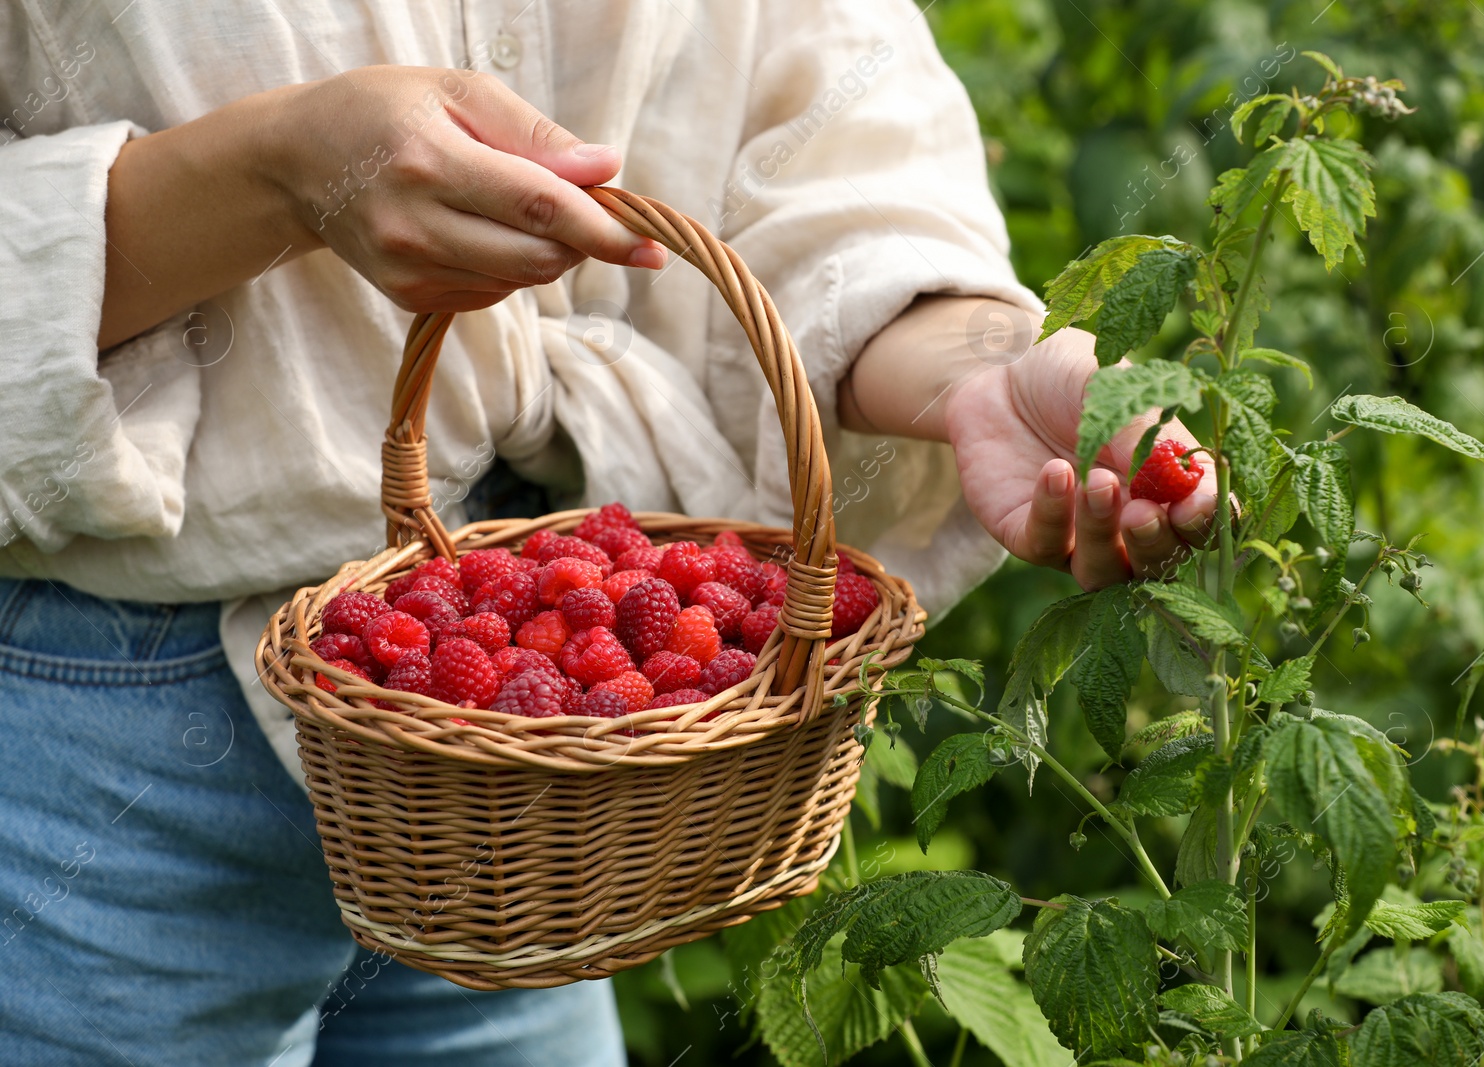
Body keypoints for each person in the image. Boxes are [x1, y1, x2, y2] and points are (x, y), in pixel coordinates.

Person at [0, 3, 1215, 1065]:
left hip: (554, 788)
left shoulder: (589, 630)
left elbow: (829, 134)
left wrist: (981, 369)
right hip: (119, 731)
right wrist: (274, 172)